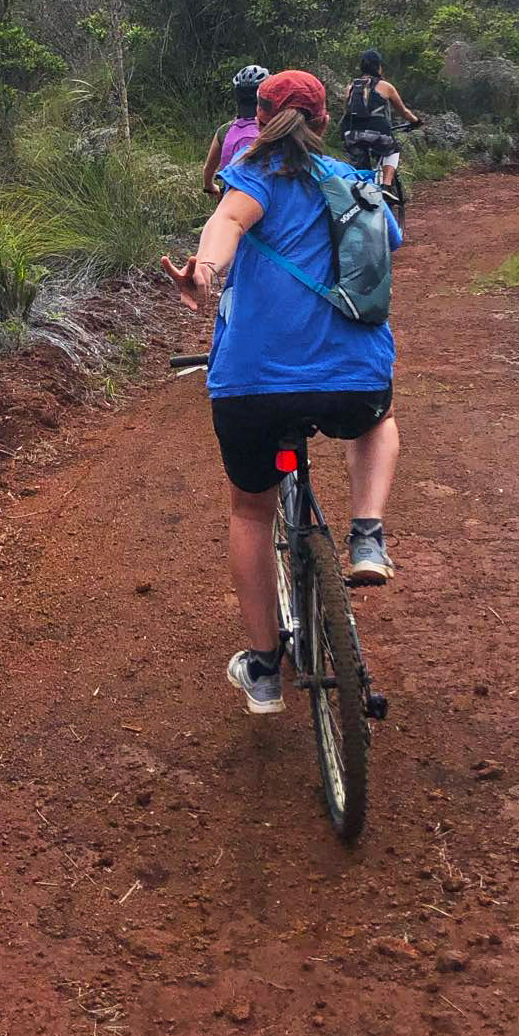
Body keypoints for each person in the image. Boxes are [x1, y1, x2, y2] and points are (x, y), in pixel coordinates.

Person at [162, 69, 401, 717]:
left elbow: (228, 224)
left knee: (250, 511)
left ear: (260, 120)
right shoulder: (357, 186)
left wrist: (204, 274)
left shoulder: (250, 176)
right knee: (377, 422)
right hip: (353, 379)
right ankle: (368, 534)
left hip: (254, 386)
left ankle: (265, 668)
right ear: (324, 122)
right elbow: (383, 256)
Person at [340, 49, 422, 181]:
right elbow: (403, 112)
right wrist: (416, 121)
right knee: (392, 151)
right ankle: (386, 185)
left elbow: (347, 110)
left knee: (360, 169)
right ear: (378, 67)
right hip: (378, 134)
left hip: (351, 134)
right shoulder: (385, 86)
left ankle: (362, 191)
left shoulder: (350, 87)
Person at [201, 65, 270, 195]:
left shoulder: (225, 130)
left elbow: (208, 170)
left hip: (231, 203)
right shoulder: (275, 130)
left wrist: (209, 186)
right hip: (265, 201)